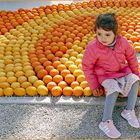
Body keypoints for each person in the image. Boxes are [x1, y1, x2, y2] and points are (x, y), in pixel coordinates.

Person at [82, 13, 140, 139]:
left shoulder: (122, 42)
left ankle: (128, 110)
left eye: (107, 34)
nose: (102, 38)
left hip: (121, 71)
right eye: (99, 34)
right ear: (95, 32)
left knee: (135, 80)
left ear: (115, 33)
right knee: (113, 88)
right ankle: (106, 121)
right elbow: (87, 66)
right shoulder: (92, 47)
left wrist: (135, 73)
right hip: (105, 75)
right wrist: (94, 85)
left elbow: (131, 57)